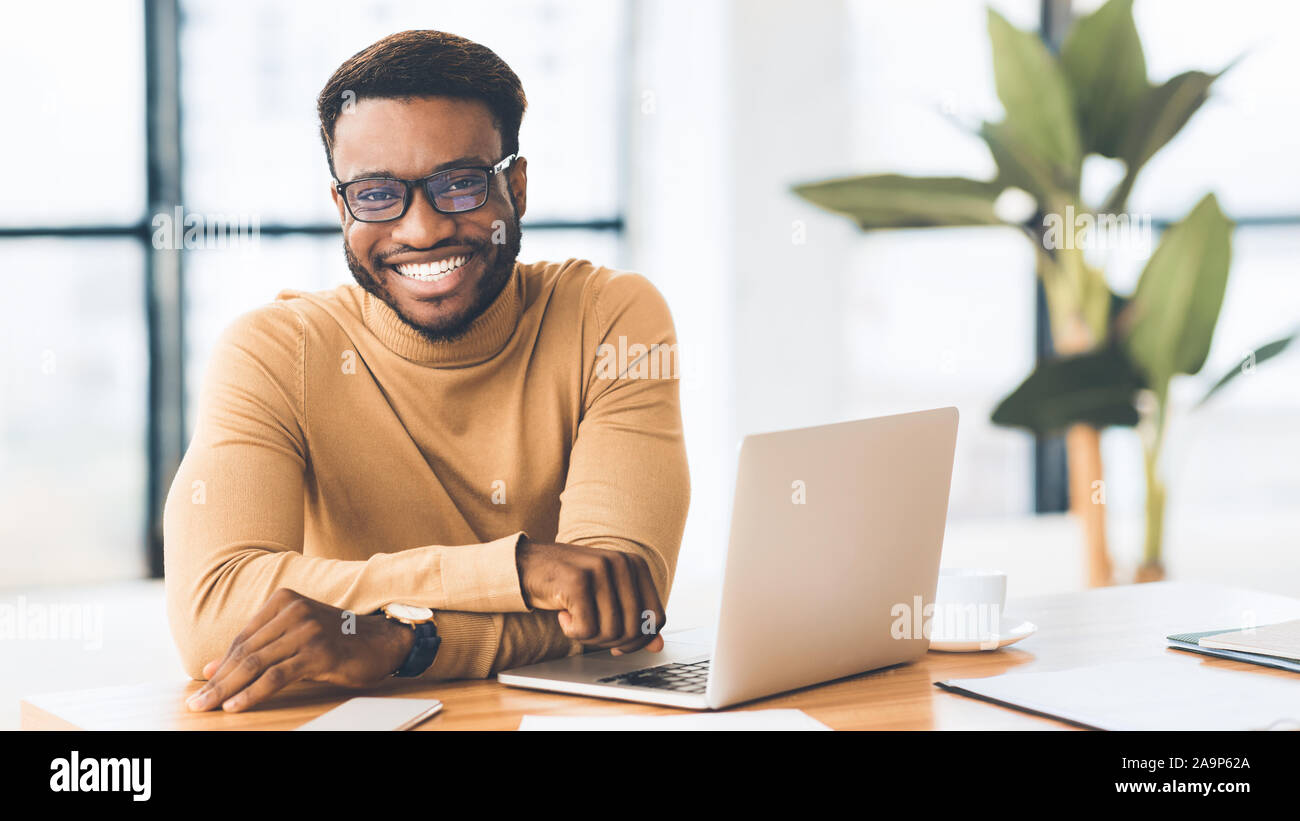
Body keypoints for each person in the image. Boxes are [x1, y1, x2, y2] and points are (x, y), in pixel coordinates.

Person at [167, 30, 690, 714]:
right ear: (341, 208)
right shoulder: (273, 351)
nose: (420, 230)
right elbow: (213, 613)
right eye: (378, 194)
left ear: (518, 186)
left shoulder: (611, 318)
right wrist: (521, 568)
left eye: (460, 184)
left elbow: (617, 608)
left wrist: (397, 643)